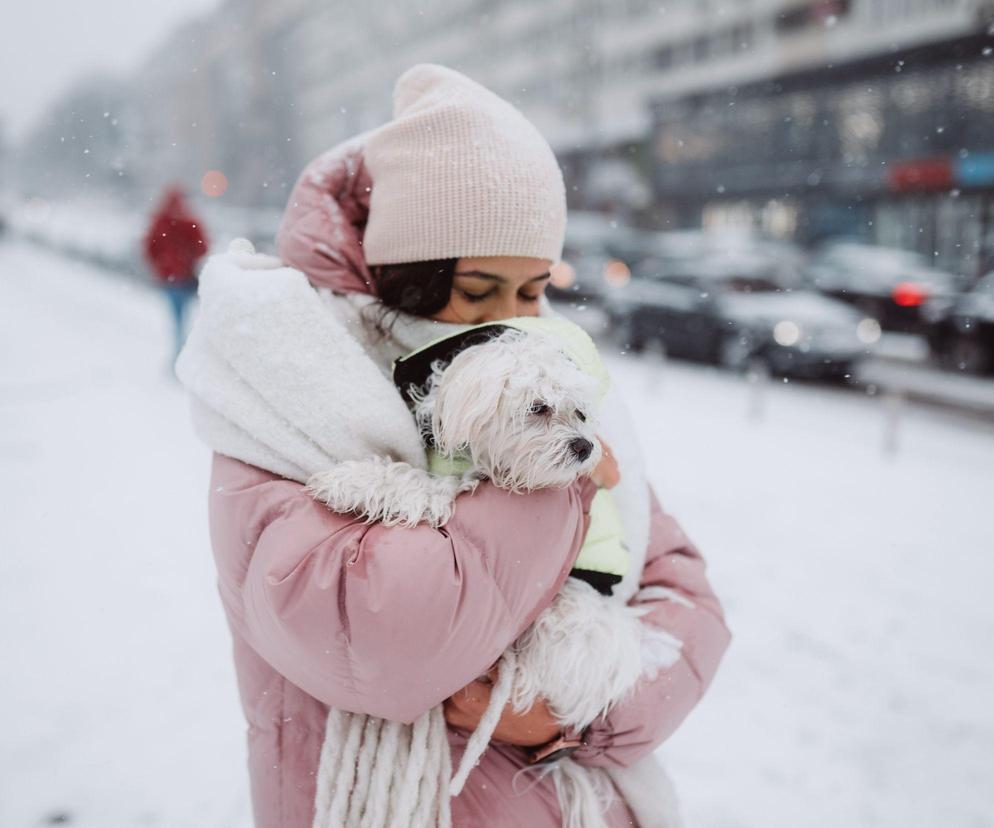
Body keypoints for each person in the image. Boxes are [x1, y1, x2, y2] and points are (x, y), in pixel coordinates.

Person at [183, 65, 730, 827]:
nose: (513, 320)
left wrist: (574, 713)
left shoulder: (550, 382)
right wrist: (559, 484)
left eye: (534, 289)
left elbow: (685, 596)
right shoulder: (288, 391)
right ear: (404, 276)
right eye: (477, 292)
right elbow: (383, 636)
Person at [142, 186, 208, 359]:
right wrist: (188, 257)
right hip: (186, 277)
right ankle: (186, 354)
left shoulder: (160, 222)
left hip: (170, 279)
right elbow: (203, 247)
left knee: (177, 317)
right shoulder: (189, 221)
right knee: (190, 317)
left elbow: (149, 248)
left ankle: (180, 353)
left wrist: (160, 266)